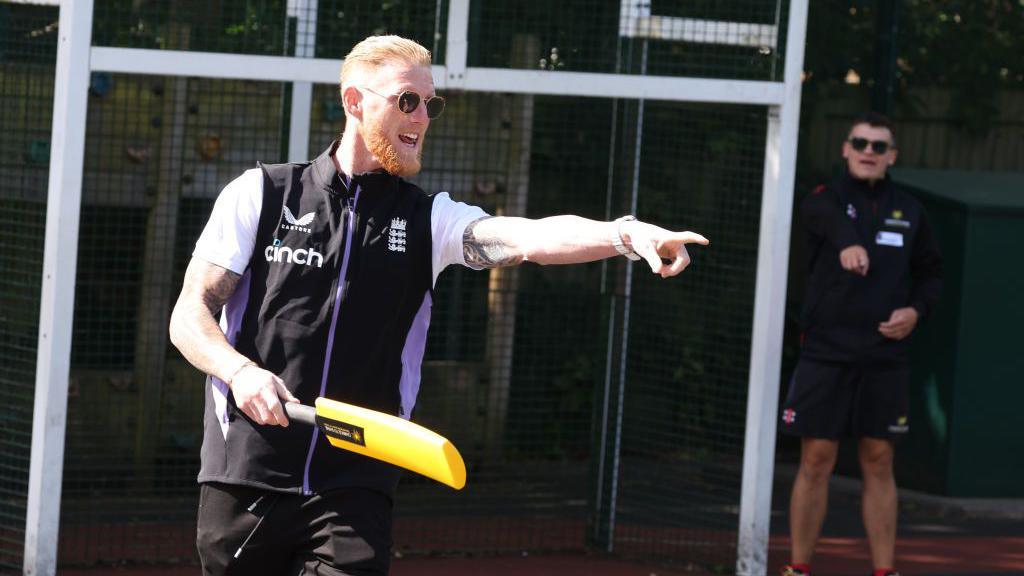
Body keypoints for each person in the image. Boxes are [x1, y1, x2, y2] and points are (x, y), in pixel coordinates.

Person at [168, 35, 708, 576]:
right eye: (408, 100)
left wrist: (624, 234)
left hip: (355, 483)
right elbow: (189, 315)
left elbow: (529, 237)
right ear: (355, 101)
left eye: (431, 104)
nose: (423, 117)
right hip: (246, 470)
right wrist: (239, 372)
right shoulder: (261, 193)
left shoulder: (429, 220)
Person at [779, 112, 942, 576]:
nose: (869, 152)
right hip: (826, 349)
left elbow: (931, 274)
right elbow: (821, 215)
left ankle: (884, 570)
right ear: (846, 149)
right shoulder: (824, 200)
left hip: (884, 355)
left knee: (878, 458)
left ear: (892, 156)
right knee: (817, 457)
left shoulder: (910, 210)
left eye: (879, 146)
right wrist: (848, 242)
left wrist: (915, 312)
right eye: (861, 143)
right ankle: (798, 568)